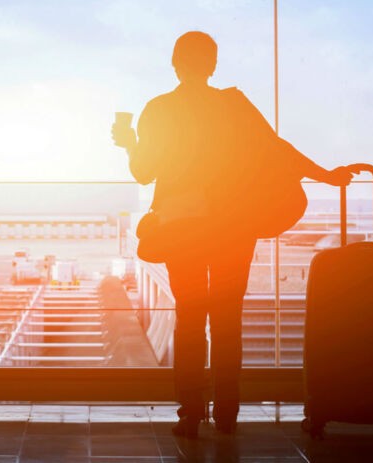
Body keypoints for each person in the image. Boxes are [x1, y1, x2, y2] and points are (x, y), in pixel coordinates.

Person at [112, 31, 352, 438]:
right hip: (233, 228)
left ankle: (190, 415)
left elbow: (143, 173)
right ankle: (227, 414)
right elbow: (277, 148)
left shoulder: (160, 109)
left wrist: (129, 142)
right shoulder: (233, 105)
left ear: (175, 63)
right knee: (227, 321)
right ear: (213, 64)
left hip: (183, 228)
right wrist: (326, 175)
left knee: (190, 320)